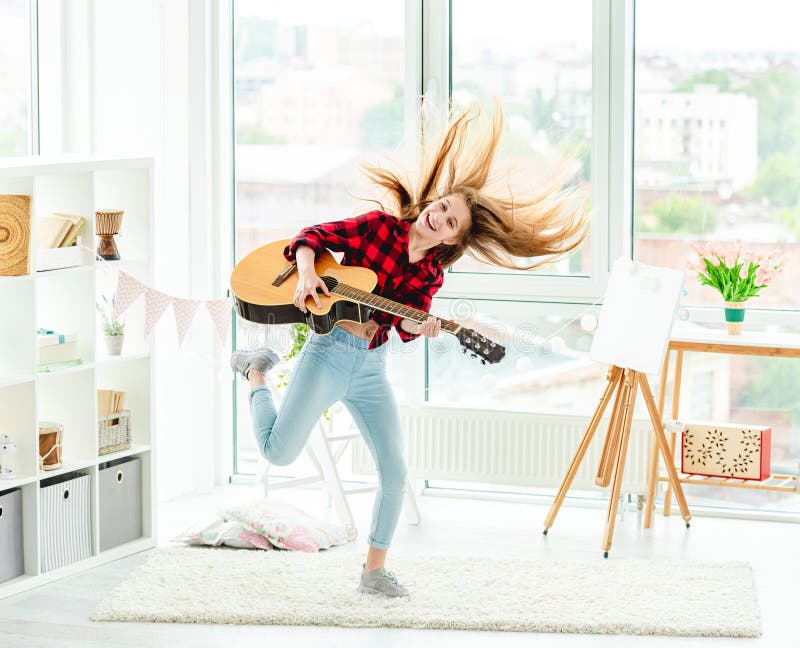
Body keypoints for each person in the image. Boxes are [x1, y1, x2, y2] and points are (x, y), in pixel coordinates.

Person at [230, 103, 588, 597]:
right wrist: (310, 270)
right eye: (441, 206)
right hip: (328, 352)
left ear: (455, 239)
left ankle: (373, 573)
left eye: (450, 221)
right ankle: (254, 374)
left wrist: (425, 327)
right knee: (279, 452)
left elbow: (402, 329)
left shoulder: (431, 275)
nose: (439, 216)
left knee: (396, 471)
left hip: (370, 368)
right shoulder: (377, 227)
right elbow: (309, 238)